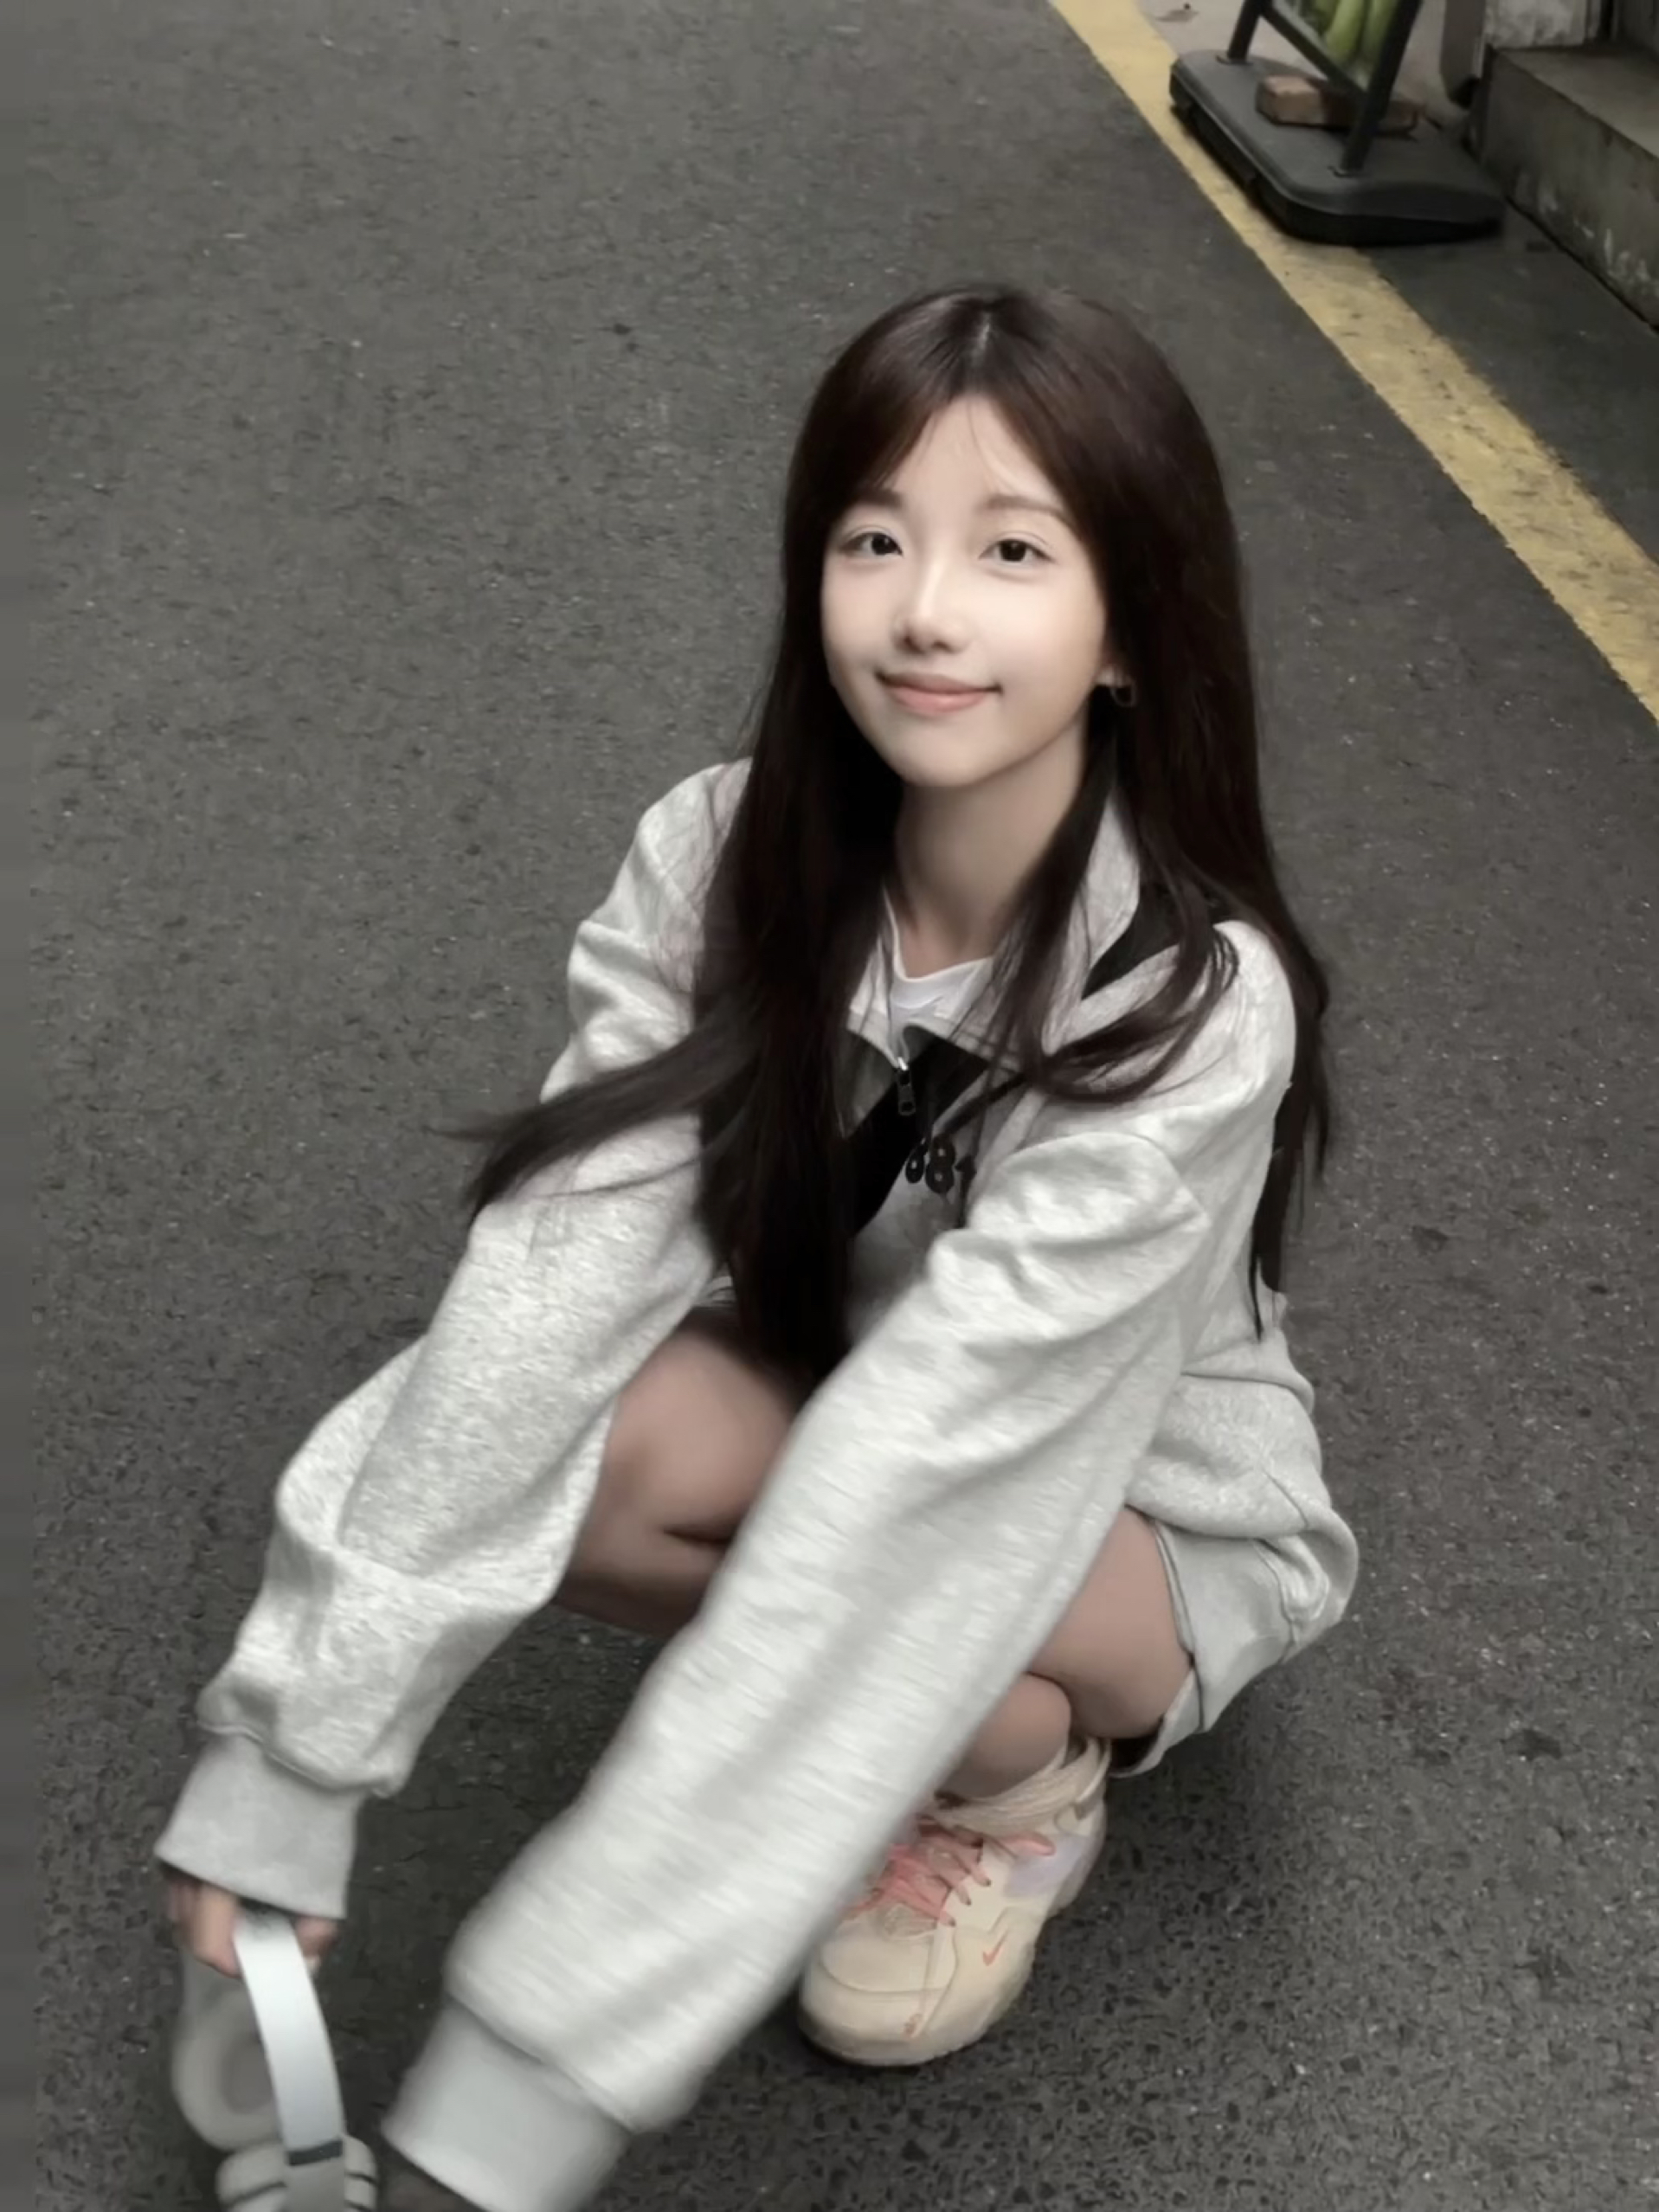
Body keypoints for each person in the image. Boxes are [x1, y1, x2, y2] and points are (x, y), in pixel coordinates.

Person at [158, 285, 1359, 2212]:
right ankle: (857, 1745)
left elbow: (939, 1483)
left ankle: (1010, 1784)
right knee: (566, 1441)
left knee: (899, 1591)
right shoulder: (724, 856)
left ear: (1131, 624)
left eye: (1012, 552)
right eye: (873, 538)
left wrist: (515, 2099)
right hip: (857, 1398)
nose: (924, 610)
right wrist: (293, 1764)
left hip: (1130, 1509)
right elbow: (546, 1288)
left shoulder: (1188, 1003)